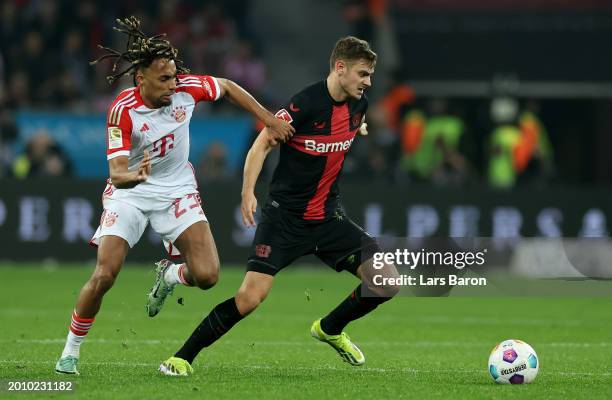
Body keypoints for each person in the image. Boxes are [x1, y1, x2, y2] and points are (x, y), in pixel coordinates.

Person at [54, 16, 294, 376]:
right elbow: (116, 172)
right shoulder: (124, 110)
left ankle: (169, 276)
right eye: (164, 78)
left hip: (177, 188)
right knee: (106, 273)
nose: (173, 84)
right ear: (141, 78)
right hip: (130, 194)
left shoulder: (187, 88)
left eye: (174, 76)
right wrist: (133, 175)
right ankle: (70, 352)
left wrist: (267, 119)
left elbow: (227, 86)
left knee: (209, 276)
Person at [153, 36, 399, 376]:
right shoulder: (304, 104)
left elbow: (348, 128)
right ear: (340, 68)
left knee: (386, 280)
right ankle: (181, 357)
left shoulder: (359, 106)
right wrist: (247, 191)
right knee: (249, 299)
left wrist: (360, 128)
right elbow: (262, 144)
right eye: (362, 74)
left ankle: (329, 328)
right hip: (285, 220)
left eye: (370, 75)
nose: (368, 82)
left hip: (329, 218)